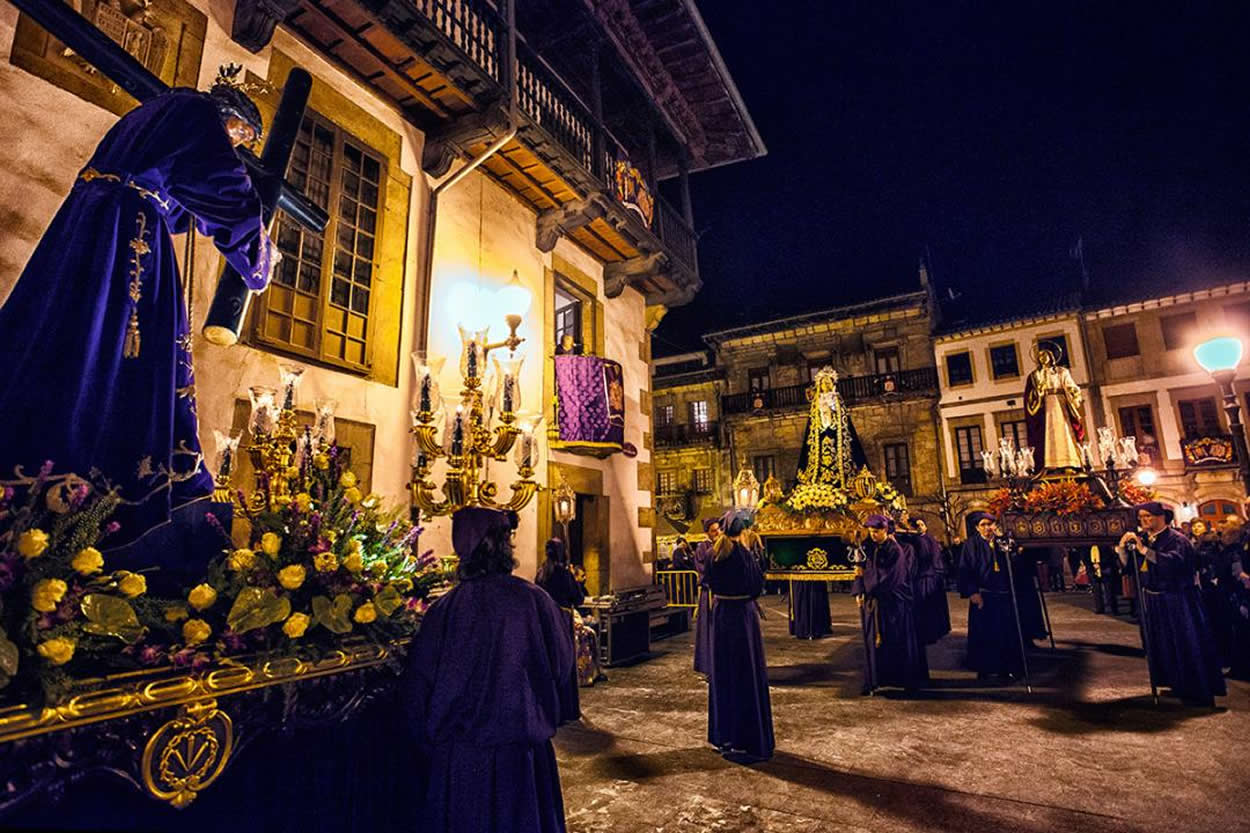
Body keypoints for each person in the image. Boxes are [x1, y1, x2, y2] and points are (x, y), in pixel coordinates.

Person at [0, 66, 277, 548]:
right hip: (129, 233)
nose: (235, 146)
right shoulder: (195, 112)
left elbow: (178, 190)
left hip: (88, 224)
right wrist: (260, 254)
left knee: (69, 327)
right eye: (239, 136)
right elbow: (223, 188)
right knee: (124, 346)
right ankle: (101, 472)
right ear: (229, 118)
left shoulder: (154, 114)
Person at [405, 508, 574, 832]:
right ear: (503, 546)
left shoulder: (444, 610)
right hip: (522, 760)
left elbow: (419, 687)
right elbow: (562, 665)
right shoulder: (534, 600)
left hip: (462, 763)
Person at [1116, 502, 1225, 707]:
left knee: (1185, 642)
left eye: (1148, 516)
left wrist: (1144, 550)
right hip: (1154, 599)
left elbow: (1173, 563)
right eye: (1141, 517)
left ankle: (1196, 688)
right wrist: (1123, 550)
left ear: (1161, 517)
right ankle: (1176, 682)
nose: (1143, 521)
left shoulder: (1177, 539)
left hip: (1177, 599)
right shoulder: (1146, 538)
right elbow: (1132, 568)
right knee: (1164, 644)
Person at [705, 508, 774, 762]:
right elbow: (756, 586)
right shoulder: (743, 555)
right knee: (746, 673)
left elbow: (708, 581)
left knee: (724, 673)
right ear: (742, 531)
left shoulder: (713, 554)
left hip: (721, 615)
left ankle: (724, 736)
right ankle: (748, 738)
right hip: (742, 619)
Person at [852, 514, 928, 693]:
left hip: (892, 603)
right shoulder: (869, 547)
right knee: (873, 643)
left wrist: (867, 585)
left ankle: (900, 679)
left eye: (876, 531)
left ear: (885, 530)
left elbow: (890, 576)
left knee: (895, 641)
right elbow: (860, 569)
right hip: (873, 602)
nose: (873, 535)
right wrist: (859, 590)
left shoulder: (894, 549)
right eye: (871, 531)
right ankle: (875, 680)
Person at [958, 512, 1029, 681]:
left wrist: (1011, 549)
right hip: (983, 594)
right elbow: (965, 569)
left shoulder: (1001, 542)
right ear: (977, 528)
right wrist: (972, 592)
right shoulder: (971, 545)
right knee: (985, 633)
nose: (987, 528)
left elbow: (1014, 563)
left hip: (1003, 593)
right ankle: (985, 668)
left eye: (989, 524)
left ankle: (1008, 667)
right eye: (983, 525)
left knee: (1005, 632)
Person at [536, 537, 589, 716]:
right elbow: (578, 598)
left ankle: (550, 709)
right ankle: (566, 709)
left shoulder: (541, 573)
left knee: (550, 661)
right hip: (562, 620)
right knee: (565, 661)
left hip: (545, 621)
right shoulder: (564, 574)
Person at [1023, 342, 1085, 471]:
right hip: (1044, 406)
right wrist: (1038, 392)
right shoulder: (1036, 375)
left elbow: (1070, 385)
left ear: (1051, 356)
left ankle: (1069, 462)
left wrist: (1074, 392)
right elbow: (1030, 394)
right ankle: (1050, 463)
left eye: (1045, 355)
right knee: (1048, 433)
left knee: (1064, 431)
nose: (1042, 358)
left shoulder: (1062, 372)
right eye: (1040, 356)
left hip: (1061, 403)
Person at [899, 515, 950, 645]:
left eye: (922, 524)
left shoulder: (926, 539)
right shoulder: (918, 539)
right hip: (925, 576)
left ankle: (931, 632)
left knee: (929, 606)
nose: (919, 527)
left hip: (928, 577)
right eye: (917, 525)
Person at [692, 517, 721, 676]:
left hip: (721, 593)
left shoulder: (723, 545)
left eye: (718, 529)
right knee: (708, 629)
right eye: (713, 531)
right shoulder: (702, 548)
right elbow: (703, 570)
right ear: (707, 533)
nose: (717, 533)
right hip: (709, 593)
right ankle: (708, 666)